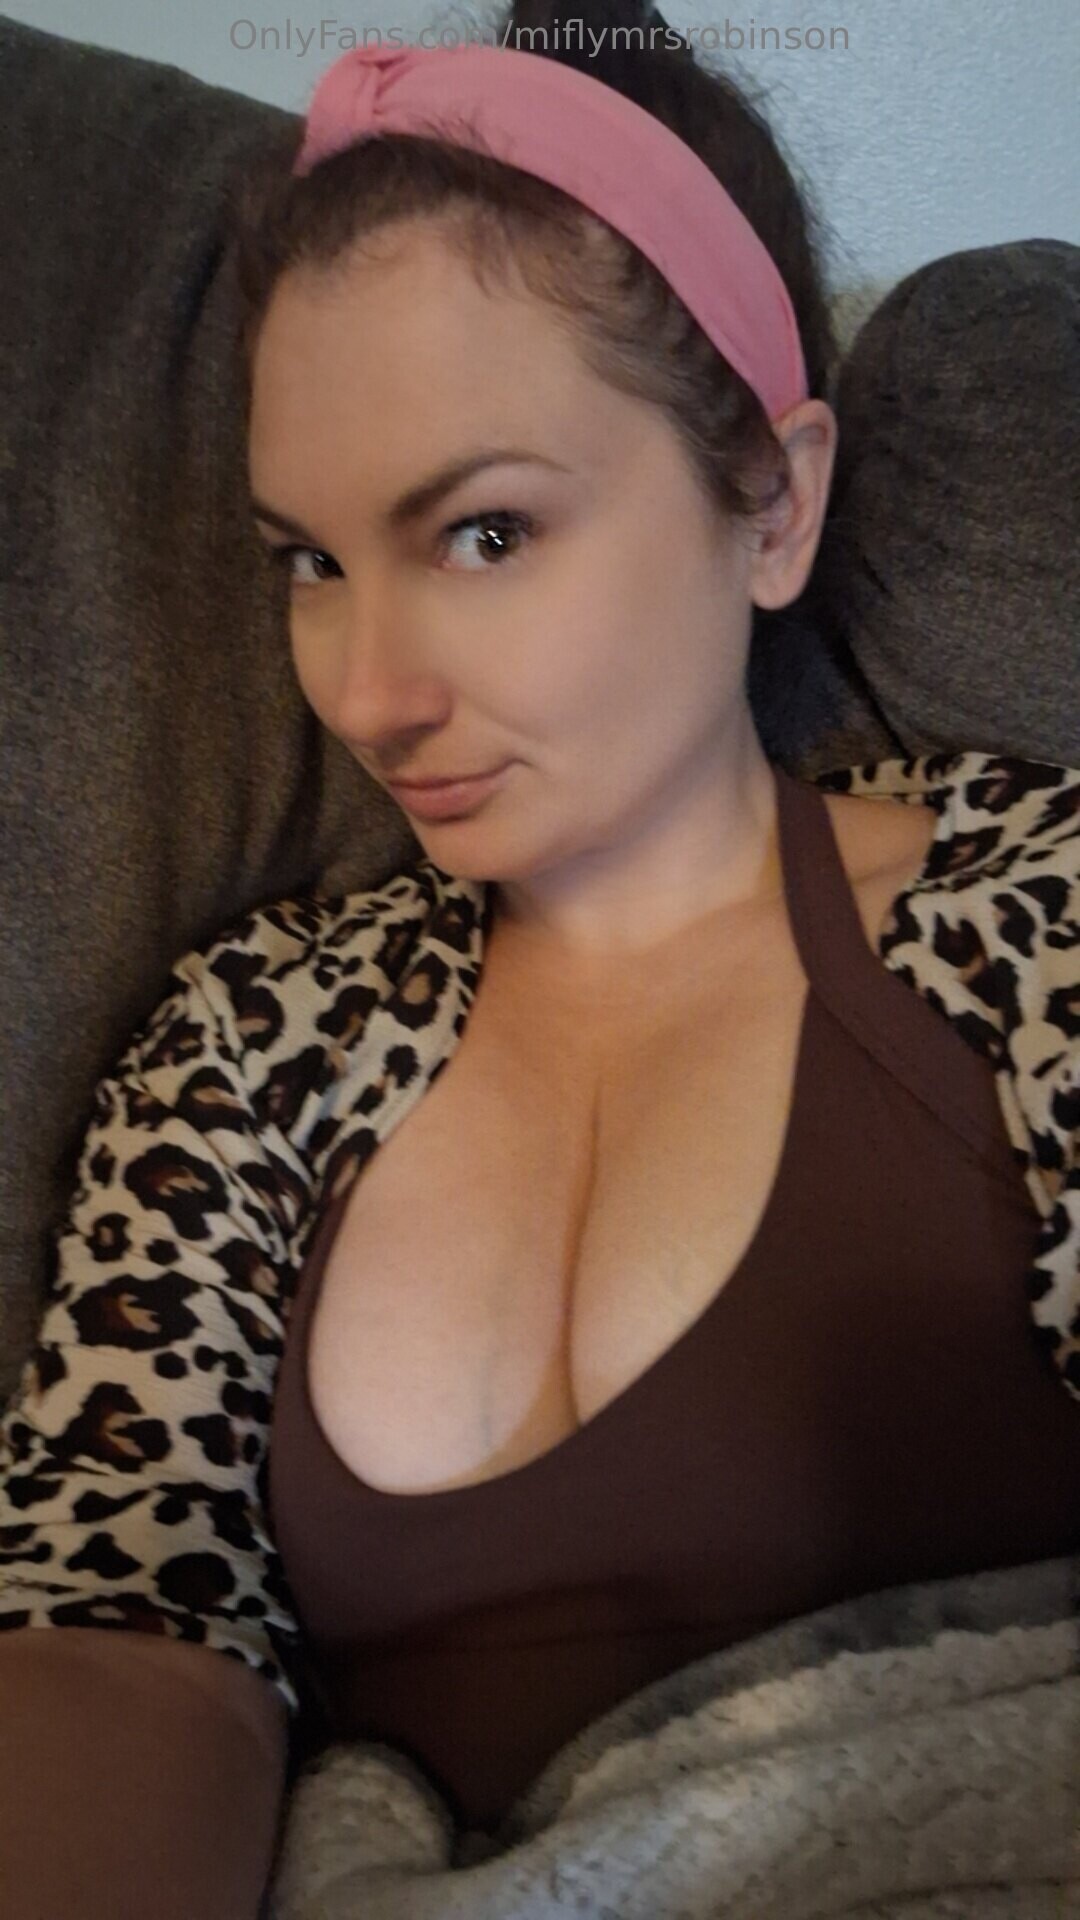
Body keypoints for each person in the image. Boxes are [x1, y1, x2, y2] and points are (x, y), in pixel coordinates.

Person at [1, 5, 1078, 1914]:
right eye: (310, 560)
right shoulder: (248, 1043)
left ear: (774, 502)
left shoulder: (1032, 908)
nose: (367, 692)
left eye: (484, 532)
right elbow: (118, 1610)